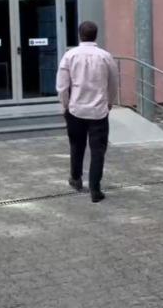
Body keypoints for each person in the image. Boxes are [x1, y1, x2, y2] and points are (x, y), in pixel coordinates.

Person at [56, 21, 119, 203]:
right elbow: (113, 83)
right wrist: (109, 103)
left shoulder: (70, 56)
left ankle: (76, 178)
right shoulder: (105, 56)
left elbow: (62, 86)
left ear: (79, 34)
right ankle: (95, 189)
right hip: (99, 111)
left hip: (76, 109)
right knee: (98, 151)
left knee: (76, 146)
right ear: (95, 35)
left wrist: (65, 105)